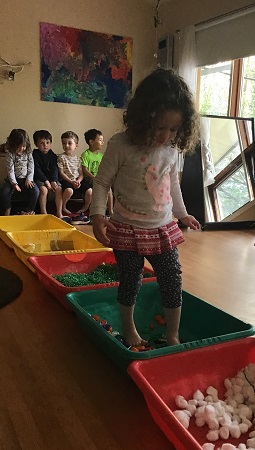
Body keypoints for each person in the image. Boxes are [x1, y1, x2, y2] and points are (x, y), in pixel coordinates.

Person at [90, 67, 200, 347]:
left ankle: (172, 334)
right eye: (160, 127)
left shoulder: (172, 149)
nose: (166, 135)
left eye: (174, 129)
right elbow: (102, 183)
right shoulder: (121, 145)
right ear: (142, 119)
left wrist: (182, 214)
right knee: (131, 280)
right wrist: (97, 217)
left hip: (162, 228)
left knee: (172, 278)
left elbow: (172, 184)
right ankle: (129, 330)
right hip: (126, 228)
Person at [32, 130, 69, 222]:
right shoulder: (35, 154)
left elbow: (55, 169)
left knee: (59, 189)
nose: (45, 145)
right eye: (42, 143)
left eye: (48, 142)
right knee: (43, 190)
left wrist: (53, 180)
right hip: (40, 178)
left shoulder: (52, 155)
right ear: (36, 144)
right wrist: (46, 181)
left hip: (51, 179)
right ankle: (43, 212)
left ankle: (59, 213)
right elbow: (37, 170)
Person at [0, 129, 39, 216]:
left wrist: (29, 179)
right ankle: (7, 208)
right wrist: (14, 183)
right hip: (13, 179)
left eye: (24, 146)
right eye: (19, 146)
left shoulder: (28, 153)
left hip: (26, 179)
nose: (22, 149)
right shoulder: (10, 154)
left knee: (36, 191)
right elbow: (10, 170)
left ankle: (29, 210)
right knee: (5, 193)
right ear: (13, 145)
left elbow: (31, 167)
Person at [58, 131, 91, 224]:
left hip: (77, 180)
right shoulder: (61, 157)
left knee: (90, 191)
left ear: (76, 145)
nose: (66, 145)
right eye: (64, 143)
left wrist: (78, 181)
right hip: (67, 180)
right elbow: (61, 173)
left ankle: (85, 207)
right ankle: (63, 206)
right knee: (69, 191)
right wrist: (71, 182)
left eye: (69, 143)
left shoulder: (78, 158)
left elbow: (81, 173)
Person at [81, 128, 113, 216]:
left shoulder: (101, 156)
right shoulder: (85, 154)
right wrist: (94, 178)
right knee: (98, 188)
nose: (102, 142)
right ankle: (89, 208)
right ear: (91, 142)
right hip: (89, 179)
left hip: (99, 178)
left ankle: (110, 211)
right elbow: (85, 170)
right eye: (100, 140)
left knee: (108, 188)